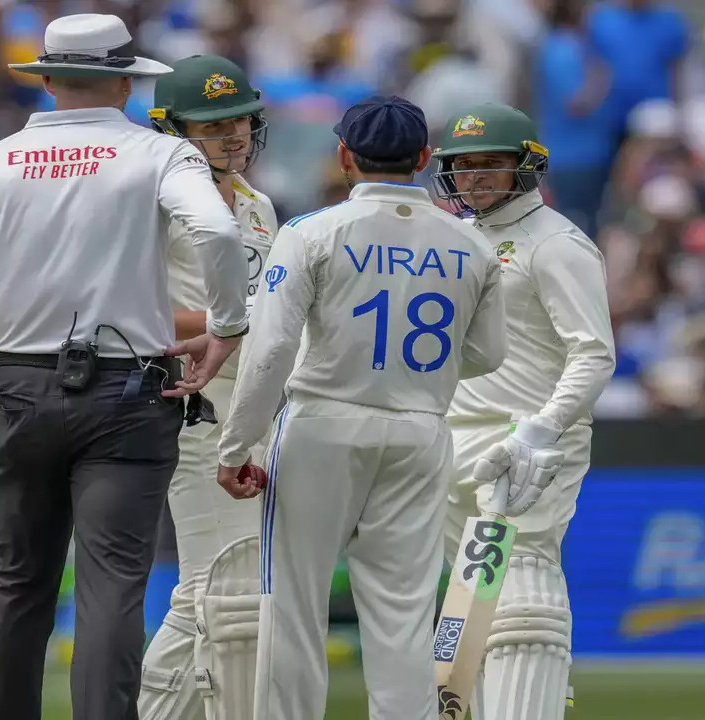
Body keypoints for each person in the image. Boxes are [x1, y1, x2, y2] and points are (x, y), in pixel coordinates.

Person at [0, 14, 251, 720]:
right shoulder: (160, 156)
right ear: (126, 81)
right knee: (111, 587)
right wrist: (226, 325)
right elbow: (218, 230)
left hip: (21, 385)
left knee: (14, 586)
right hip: (129, 389)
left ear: (46, 79)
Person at [216, 96, 509, 720]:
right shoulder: (473, 245)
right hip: (421, 430)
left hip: (323, 422)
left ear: (344, 156)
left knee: (292, 604)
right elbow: (486, 356)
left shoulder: (311, 232)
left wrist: (235, 446)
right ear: (425, 159)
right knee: (403, 613)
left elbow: (269, 352)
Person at [430, 102, 616, 720]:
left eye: (492, 166)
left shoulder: (558, 243)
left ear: (526, 167)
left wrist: (542, 430)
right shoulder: (459, 238)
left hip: (525, 443)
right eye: (464, 167)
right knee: (469, 609)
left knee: (522, 591)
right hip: (453, 441)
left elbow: (593, 355)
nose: (477, 179)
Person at [139, 54, 277, 720]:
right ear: (173, 130)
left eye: (240, 122)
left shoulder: (256, 204)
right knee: (212, 583)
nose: (233, 138)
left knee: (240, 588)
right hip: (194, 399)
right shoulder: (153, 201)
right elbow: (132, 308)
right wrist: (244, 319)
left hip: (258, 404)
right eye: (211, 126)